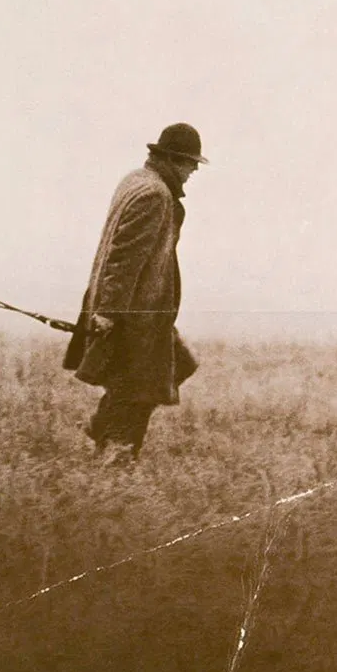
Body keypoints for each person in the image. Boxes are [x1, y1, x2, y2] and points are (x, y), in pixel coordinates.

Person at [62, 123, 206, 463]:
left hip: (137, 310)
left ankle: (105, 432)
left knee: (173, 367)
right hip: (136, 314)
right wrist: (109, 311)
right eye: (189, 162)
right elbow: (124, 255)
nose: (194, 170)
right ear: (170, 159)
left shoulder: (136, 180)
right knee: (141, 386)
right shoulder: (155, 195)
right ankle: (116, 454)